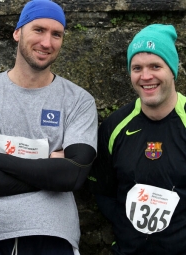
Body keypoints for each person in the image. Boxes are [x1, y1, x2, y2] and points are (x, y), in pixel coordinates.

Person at [0, 0, 98, 254]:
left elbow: (73, 174)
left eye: (56, 34)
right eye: (38, 30)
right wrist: (51, 172)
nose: (47, 42)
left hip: (54, 236)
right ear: (17, 32)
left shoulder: (79, 100)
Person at [88, 23, 186, 255]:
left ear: (172, 69)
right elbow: (102, 189)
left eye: (155, 66)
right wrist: (129, 228)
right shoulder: (115, 126)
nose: (146, 76)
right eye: (137, 68)